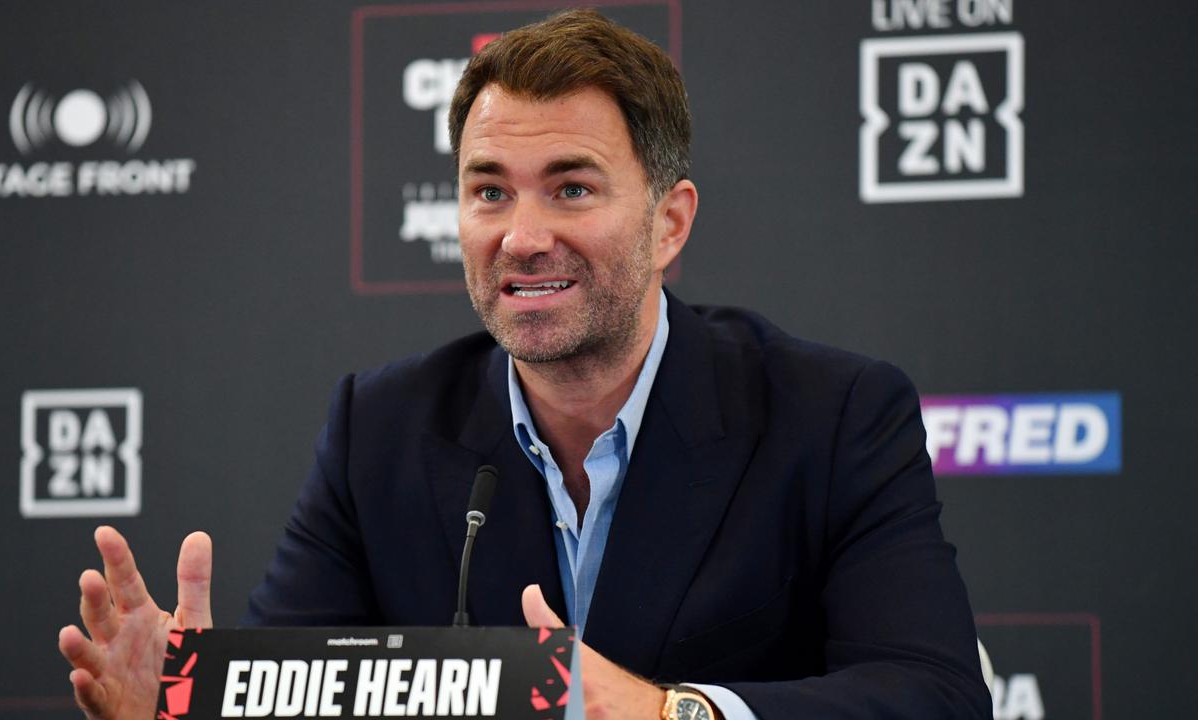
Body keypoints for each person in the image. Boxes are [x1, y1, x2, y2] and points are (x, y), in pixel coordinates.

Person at [58, 9, 991, 719]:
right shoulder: (378, 430)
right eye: (489, 191)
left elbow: (935, 694)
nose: (523, 237)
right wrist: (190, 710)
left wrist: (674, 714)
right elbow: (306, 695)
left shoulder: (833, 415)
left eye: (573, 188)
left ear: (670, 222)